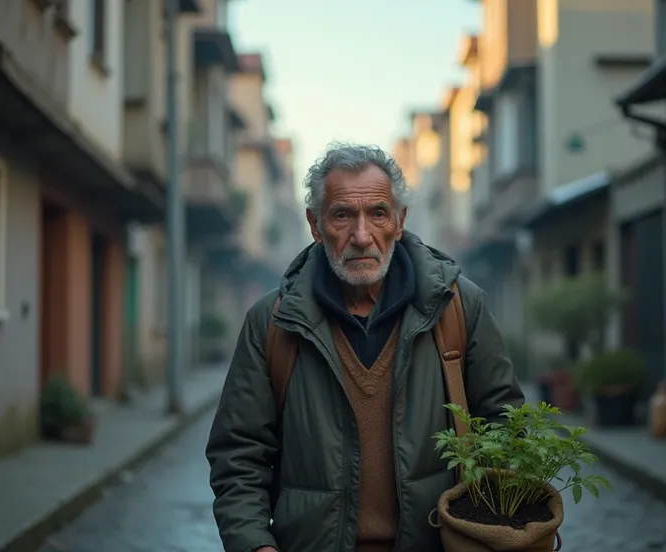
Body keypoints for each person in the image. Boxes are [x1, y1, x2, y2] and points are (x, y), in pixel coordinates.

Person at [205, 143, 524, 552]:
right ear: (316, 225)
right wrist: (256, 545)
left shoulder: (458, 307)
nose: (361, 235)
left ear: (399, 221)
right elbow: (238, 455)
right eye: (342, 215)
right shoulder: (272, 321)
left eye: (377, 213)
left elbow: (505, 428)